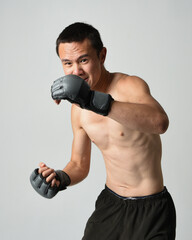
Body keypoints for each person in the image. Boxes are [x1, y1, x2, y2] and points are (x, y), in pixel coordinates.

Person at [30, 22, 176, 239]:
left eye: (84, 60)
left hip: (152, 209)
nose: (76, 71)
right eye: (67, 63)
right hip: (111, 205)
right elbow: (79, 164)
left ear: (102, 56)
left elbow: (160, 123)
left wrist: (92, 101)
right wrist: (60, 177)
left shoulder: (130, 86)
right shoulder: (78, 110)